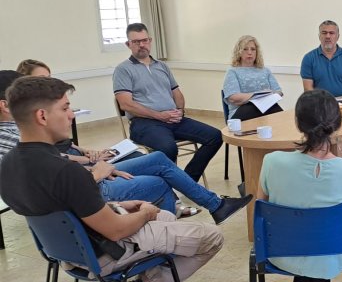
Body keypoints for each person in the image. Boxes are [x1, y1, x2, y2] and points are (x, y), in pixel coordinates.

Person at [0, 76, 224, 282]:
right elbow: (117, 230)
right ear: (42, 116)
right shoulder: (66, 172)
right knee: (211, 236)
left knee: (168, 218)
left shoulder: (8, 165)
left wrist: (120, 207)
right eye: (64, 108)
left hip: (65, 252)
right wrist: (147, 212)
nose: (71, 115)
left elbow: (65, 209)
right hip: (104, 254)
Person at [1, 68, 251, 223]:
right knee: (160, 179)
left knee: (159, 161)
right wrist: (95, 170)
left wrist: (90, 158)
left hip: (78, 202)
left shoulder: (22, 149)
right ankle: (162, 252)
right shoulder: (26, 148)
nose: (72, 114)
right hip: (94, 193)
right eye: (65, 108)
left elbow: (56, 162)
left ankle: (213, 206)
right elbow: (62, 172)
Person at [256, 89, 342, 282]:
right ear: (337, 124)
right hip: (336, 254)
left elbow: (262, 209)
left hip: (281, 252)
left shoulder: (271, 162)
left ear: (299, 123)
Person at [113, 23, 223, 183]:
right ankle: (167, 190)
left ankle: (187, 180)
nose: (141, 45)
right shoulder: (123, 70)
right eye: (136, 42)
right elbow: (126, 104)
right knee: (168, 147)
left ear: (150, 40)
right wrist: (159, 116)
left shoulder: (162, 66)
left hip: (172, 119)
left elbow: (176, 93)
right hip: (144, 123)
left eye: (144, 40)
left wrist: (180, 110)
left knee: (215, 136)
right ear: (128, 44)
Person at [222, 35, 283, 120]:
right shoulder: (233, 71)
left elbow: (279, 92)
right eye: (245, 49)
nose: (250, 52)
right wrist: (257, 96)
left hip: (265, 110)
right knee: (255, 106)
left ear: (257, 52)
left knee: (275, 109)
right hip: (240, 112)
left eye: (253, 49)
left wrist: (268, 97)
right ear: (239, 52)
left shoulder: (265, 70)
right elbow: (233, 98)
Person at [301, 20, 342, 97]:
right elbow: (307, 88)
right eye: (324, 33)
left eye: (331, 33)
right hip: (319, 104)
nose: (328, 36)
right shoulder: (309, 58)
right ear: (319, 36)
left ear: (338, 36)